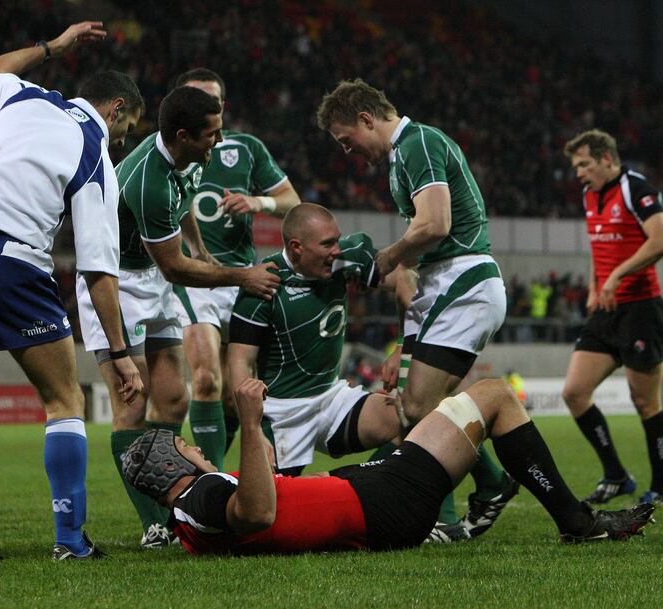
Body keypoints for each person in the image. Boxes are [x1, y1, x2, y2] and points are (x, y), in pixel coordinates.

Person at [0, 21, 145, 564]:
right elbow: (98, 272)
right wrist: (119, 354)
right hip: (10, 263)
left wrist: (53, 48)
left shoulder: (26, 97)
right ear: (114, 109)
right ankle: (69, 540)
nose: (123, 140)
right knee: (64, 402)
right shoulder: (96, 154)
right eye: (127, 128)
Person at [75, 85, 281, 548]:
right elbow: (176, 268)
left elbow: (183, 201)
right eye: (211, 134)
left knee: (173, 401)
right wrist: (239, 276)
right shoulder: (149, 179)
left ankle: (175, 510)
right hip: (116, 284)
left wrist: (201, 247)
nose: (218, 140)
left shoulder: (184, 157)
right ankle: (155, 524)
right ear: (183, 134)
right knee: (132, 402)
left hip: (150, 278)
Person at [123, 377, 654, 555]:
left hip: (372, 496)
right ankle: (575, 522)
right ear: (174, 462)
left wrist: (262, 433)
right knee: (492, 398)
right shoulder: (206, 494)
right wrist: (253, 424)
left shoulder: (190, 517)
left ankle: (542, 506)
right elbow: (259, 512)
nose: (195, 445)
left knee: (455, 410)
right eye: (185, 445)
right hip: (382, 502)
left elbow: (269, 494)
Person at [316, 79, 515, 541]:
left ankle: (443, 515)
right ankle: (489, 482)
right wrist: (402, 346)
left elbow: (435, 224)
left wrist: (388, 256)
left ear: (367, 119)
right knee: (419, 406)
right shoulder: (399, 160)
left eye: (348, 140)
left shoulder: (418, 142)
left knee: (417, 409)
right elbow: (420, 253)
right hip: (442, 288)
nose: (348, 152)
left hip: (463, 281)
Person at [171, 68, 301, 471]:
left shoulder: (246, 149)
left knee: (236, 394)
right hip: (194, 277)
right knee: (207, 379)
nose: (201, 109)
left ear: (222, 108)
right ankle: (209, 485)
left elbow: (291, 201)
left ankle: (224, 474)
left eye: (209, 102)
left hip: (243, 279)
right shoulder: (167, 151)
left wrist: (257, 202)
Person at [228, 204, 401, 477]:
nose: (337, 250)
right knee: (263, 512)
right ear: (297, 247)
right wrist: (251, 430)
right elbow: (240, 361)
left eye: (337, 239)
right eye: (327, 244)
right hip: (282, 413)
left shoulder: (346, 260)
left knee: (410, 416)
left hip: (332, 400)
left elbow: (407, 280)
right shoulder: (263, 286)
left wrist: (403, 345)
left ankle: (368, 484)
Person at [561, 129, 663, 506]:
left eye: (584, 164)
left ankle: (661, 486)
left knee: (645, 402)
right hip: (605, 310)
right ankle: (617, 475)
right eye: (575, 167)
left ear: (607, 159)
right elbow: (598, 244)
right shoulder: (590, 195)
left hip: (640, 309)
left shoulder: (635, 188)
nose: (579, 173)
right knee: (574, 392)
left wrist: (617, 275)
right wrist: (594, 284)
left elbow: (659, 239)